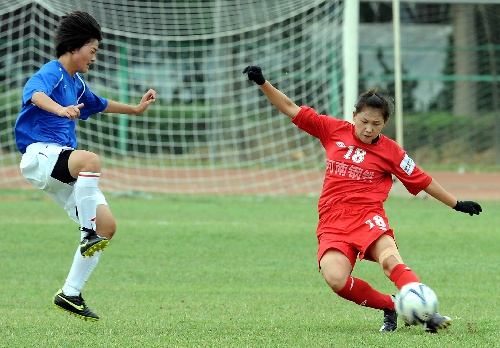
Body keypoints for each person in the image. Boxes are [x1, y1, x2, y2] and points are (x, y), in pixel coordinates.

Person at [243, 66, 482, 333]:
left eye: (376, 124)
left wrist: (457, 203)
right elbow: (290, 107)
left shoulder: (391, 151)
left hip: (369, 217)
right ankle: (391, 305)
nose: (368, 129)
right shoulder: (332, 130)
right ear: (354, 116)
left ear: (385, 124)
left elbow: (422, 179)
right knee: (335, 279)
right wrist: (263, 83)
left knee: (391, 260)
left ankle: (428, 314)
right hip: (333, 220)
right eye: (364, 122)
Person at [14, 11, 157, 321]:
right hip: (39, 154)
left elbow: (101, 104)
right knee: (90, 160)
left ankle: (70, 292)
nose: (94, 57)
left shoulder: (77, 85)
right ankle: (86, 231)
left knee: (107, 227)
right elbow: (34, 94)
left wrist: (135, 109)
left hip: (58, 163)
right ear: (75, 47)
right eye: (92, 50)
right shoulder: (53, 71)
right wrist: (60, 109)